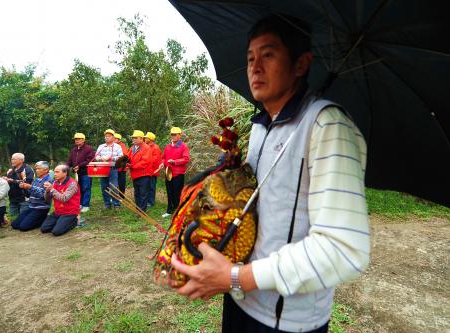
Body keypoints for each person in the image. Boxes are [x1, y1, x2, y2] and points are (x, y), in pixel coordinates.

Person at [170, 15, 370, 333]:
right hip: (239, 298)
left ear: (301, 64)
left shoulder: (328, 127)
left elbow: (343, 249)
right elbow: (261, 206)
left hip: (286, 320)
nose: (255, 67)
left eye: (268, 54)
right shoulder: (262, 125)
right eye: (250, 58)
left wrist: (236, 276)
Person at [11, 161, 53, 231]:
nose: (37, 170)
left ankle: (45, 218)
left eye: (39, 169)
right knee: (14, 225)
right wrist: (24, 187)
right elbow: (29, 194)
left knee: (23, 227)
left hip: (41, 208)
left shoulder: (49, 180)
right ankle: (37, 219)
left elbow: (43, 195)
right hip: (31, 207)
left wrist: (30, 187)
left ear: (46, 170)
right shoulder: (36, 180)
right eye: (36, 169)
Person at [40, 164, 80, 236]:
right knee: (44, 229)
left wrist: (52, 189)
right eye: (54, 172)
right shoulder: (55, 182)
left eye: (57, 172)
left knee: (56, 232)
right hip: (58, 212)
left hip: (70, 212)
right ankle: (61, 221)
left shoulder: (72, 184)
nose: (55, 174)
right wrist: (47, 191)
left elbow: (64, 198)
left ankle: (75, 220)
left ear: (65, 173)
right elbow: (47, 198)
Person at [159, 127, 190, 218]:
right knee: (169, 192)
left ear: (179, 135)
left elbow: (186, 159)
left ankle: (179, 212)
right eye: (171, 134)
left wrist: (175, 161)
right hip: (168, 172)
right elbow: (163, 158)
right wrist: (162, 164)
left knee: (178, 193)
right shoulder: (168, 146)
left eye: (175, 134)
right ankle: (170, 210)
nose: (173, 136)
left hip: (178, 174)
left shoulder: (184, 146)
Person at [67, 132, 95, 213]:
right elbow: (70, 161)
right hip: (77, 173)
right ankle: (80, 204)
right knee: (78, 189)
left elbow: (90, 160)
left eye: (78, 139)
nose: (76, 141)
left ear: (83, 140)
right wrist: (65, 167)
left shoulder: (89, 149)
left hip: (86, 172)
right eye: (75, 139)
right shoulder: (74, 150)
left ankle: (86, 205)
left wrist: (79, 165)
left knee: (86, 188)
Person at [94, 129, 123, 209]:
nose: (107, 138)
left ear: (113, 137)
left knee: (114, 186)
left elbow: (121, 157)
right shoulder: (101, 146)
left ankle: (116, 204)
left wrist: (111, 158)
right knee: (104, 186)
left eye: (109, 136)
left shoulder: (117, 146)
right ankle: (107, 204)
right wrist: (100, 158)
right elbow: (96, 156)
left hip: (112, 168)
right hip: (102, 168)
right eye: (106, 136)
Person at [127, 130, 152, 212]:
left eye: (135, 138)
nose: (133, 139)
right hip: (135, 174)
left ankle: (142, 211)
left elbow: (145, 162)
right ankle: (138, 209)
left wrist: (132, 166)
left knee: (143, 193)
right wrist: (126, 163)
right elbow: (128, 158)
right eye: (133, 138)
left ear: (141, 139)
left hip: (144, 174)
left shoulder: (146, 148)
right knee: (137, 193)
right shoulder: (132, 148)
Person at [144, 131, 162, 207]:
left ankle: (151, 202)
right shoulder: (146, 146)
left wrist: (145, 161)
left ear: (150, 139)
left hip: (153, 171)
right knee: (147, 186)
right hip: (147, 171)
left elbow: (155, 160)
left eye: (146, 138)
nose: (144, 139)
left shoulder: (155, 147)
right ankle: (147, 201)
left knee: (151, 187)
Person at [114, 133, 128, 199]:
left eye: (115, 139)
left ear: (118, 140)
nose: (113, 140)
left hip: (121, 169)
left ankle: (121, 197)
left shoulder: (122, 146)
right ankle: (115, 196)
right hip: (115, 168)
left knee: (121, 183)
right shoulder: (113, 145)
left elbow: (124, 157)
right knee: (115, 183)